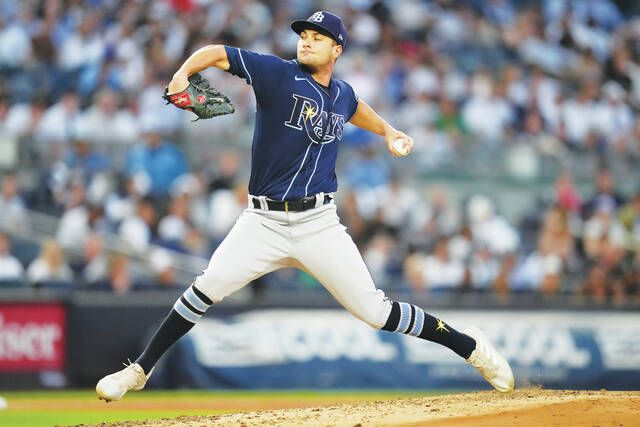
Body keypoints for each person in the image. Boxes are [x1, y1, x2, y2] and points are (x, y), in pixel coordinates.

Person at [96, 11, 513, 401]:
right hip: (262, 221)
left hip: (318, 223)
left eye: (319, 38)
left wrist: (388, 130)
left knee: (375, 312)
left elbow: (354, 108)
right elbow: (218, 53)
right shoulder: (277, 74)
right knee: (205, 289)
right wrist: (184, 72)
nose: (307, 42)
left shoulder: (342, 94)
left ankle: (471, 346)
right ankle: (140, 370)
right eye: (304, 36)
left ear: (338, 50)